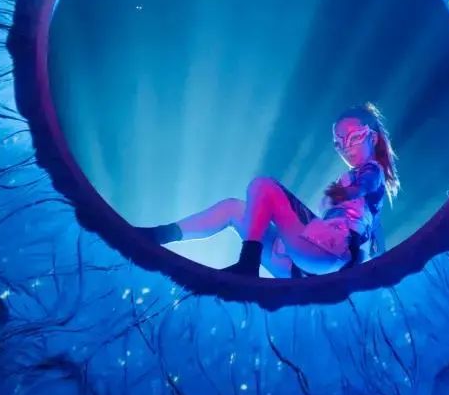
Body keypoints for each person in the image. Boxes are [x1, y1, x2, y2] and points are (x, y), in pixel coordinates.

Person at [136, 102, 400, 277]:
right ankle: (159, 235)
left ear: (372, 136)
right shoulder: (361, 194)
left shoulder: (371, 170)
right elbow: (378, 239)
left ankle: (248, 263)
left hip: (331, 254)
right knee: (234, 209)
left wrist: (349, 192)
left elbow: (367, 184)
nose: (346, 147)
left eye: (354, 137)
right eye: (339, 143)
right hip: (304, 267)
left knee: (264, 186)